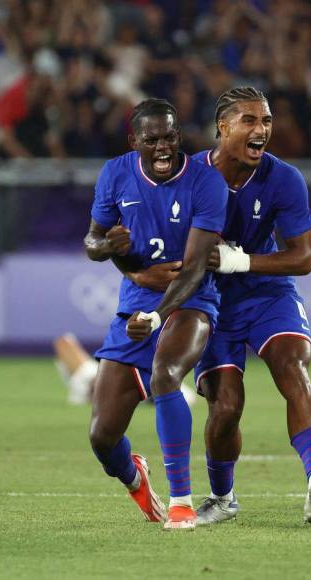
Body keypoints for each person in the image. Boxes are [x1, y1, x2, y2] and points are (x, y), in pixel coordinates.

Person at [137, 87, 311, 525]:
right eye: (249, 120)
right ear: (222, 127)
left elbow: (304, 257)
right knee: (226, 405)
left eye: (265, 121)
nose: (261, 129)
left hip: (268, 292)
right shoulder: (187, 177)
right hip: (211, 301)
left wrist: (240, 260)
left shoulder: (283, 178)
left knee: (293, 367)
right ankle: (223, 498)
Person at [84, 98, 227, 530]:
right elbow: (92, 241)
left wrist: (158, 314)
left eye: (169, 137)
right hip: (135, 305)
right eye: (152, 140)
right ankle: (135, 476)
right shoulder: (116, 173)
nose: (163, 147)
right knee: (102, 436)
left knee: (166, 372)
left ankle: (181, 501)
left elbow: (197, 267)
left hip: (190, 301)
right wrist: (113, 249)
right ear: (135, 141)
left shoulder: (206, 181)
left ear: (179, 136)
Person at [52, 332, 197, 407]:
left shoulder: (178, 392)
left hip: (95, 381)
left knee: (64, 342)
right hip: (107, 374)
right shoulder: (169, 380)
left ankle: (81, 389)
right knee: (64, 341)